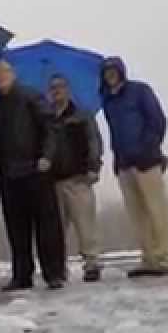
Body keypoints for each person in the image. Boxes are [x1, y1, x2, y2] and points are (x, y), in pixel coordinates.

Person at [0, 59, 66, 290]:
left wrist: (47, 156)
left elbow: (50, 128)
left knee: (47, 225)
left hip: (36, 170)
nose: (1, 77)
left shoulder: (31, 97)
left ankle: (54, 273)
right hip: (9, 174)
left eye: (4, 72)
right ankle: (22, 274)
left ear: (13, 74)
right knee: (17, 228)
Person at [101, 56, 168, 277]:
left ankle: (165, 257)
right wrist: (116, 158)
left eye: (113, 71)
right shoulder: (108, 101)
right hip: (124, 163)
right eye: (106, 72)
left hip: (147, 160)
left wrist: (148, 147)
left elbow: (157, 121)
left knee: (156, 210)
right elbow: (115, 131)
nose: (110, 75)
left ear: (121, 71)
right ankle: (149, 258)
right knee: (137, 215)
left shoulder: (140, 91)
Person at [49, 74, 104, 282]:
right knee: (56, 229)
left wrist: (94, 166)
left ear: (68, 89)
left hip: (78, 177)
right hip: (54, 180)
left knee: (85, 224)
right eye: (53, 88)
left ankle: (91, 263)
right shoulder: (47, 118)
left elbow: (94, 141)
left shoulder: (82, 115)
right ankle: (58, 267)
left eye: (60, 87)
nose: (57, 91)